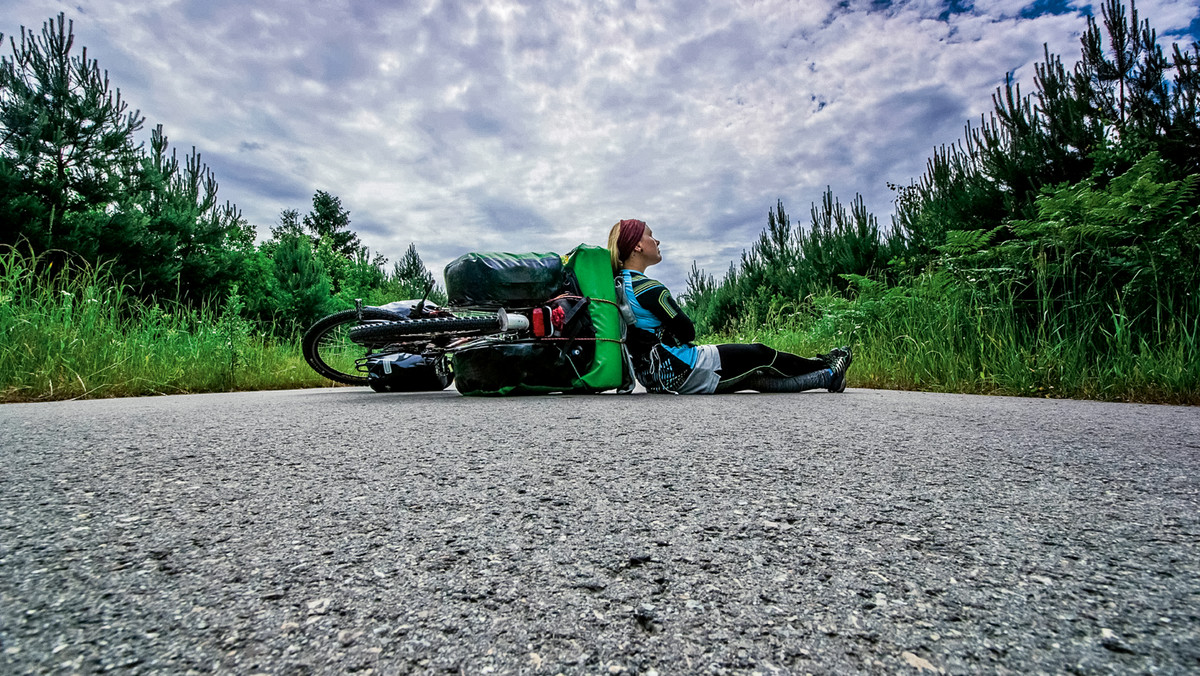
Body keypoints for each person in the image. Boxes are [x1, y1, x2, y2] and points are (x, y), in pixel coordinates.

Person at [608, 218, 852, 394]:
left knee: (753, 377)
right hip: (685, 367)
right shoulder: (648, 288)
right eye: (650, 235)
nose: (657, 240)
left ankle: (828, 377)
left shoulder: (618, 286)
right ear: (637, 246)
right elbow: (687, 331)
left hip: (654, 377)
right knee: (760, 354)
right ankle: (825, 364)